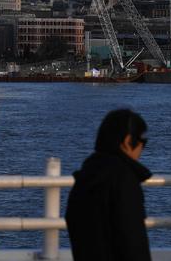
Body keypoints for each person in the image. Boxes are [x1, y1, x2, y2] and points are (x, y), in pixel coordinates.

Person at [65, 109, 152, 261]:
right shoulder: (124, 180)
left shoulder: (85, 176)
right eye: (142, 141)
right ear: (127, 141)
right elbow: (132, 241)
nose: (142, 149)